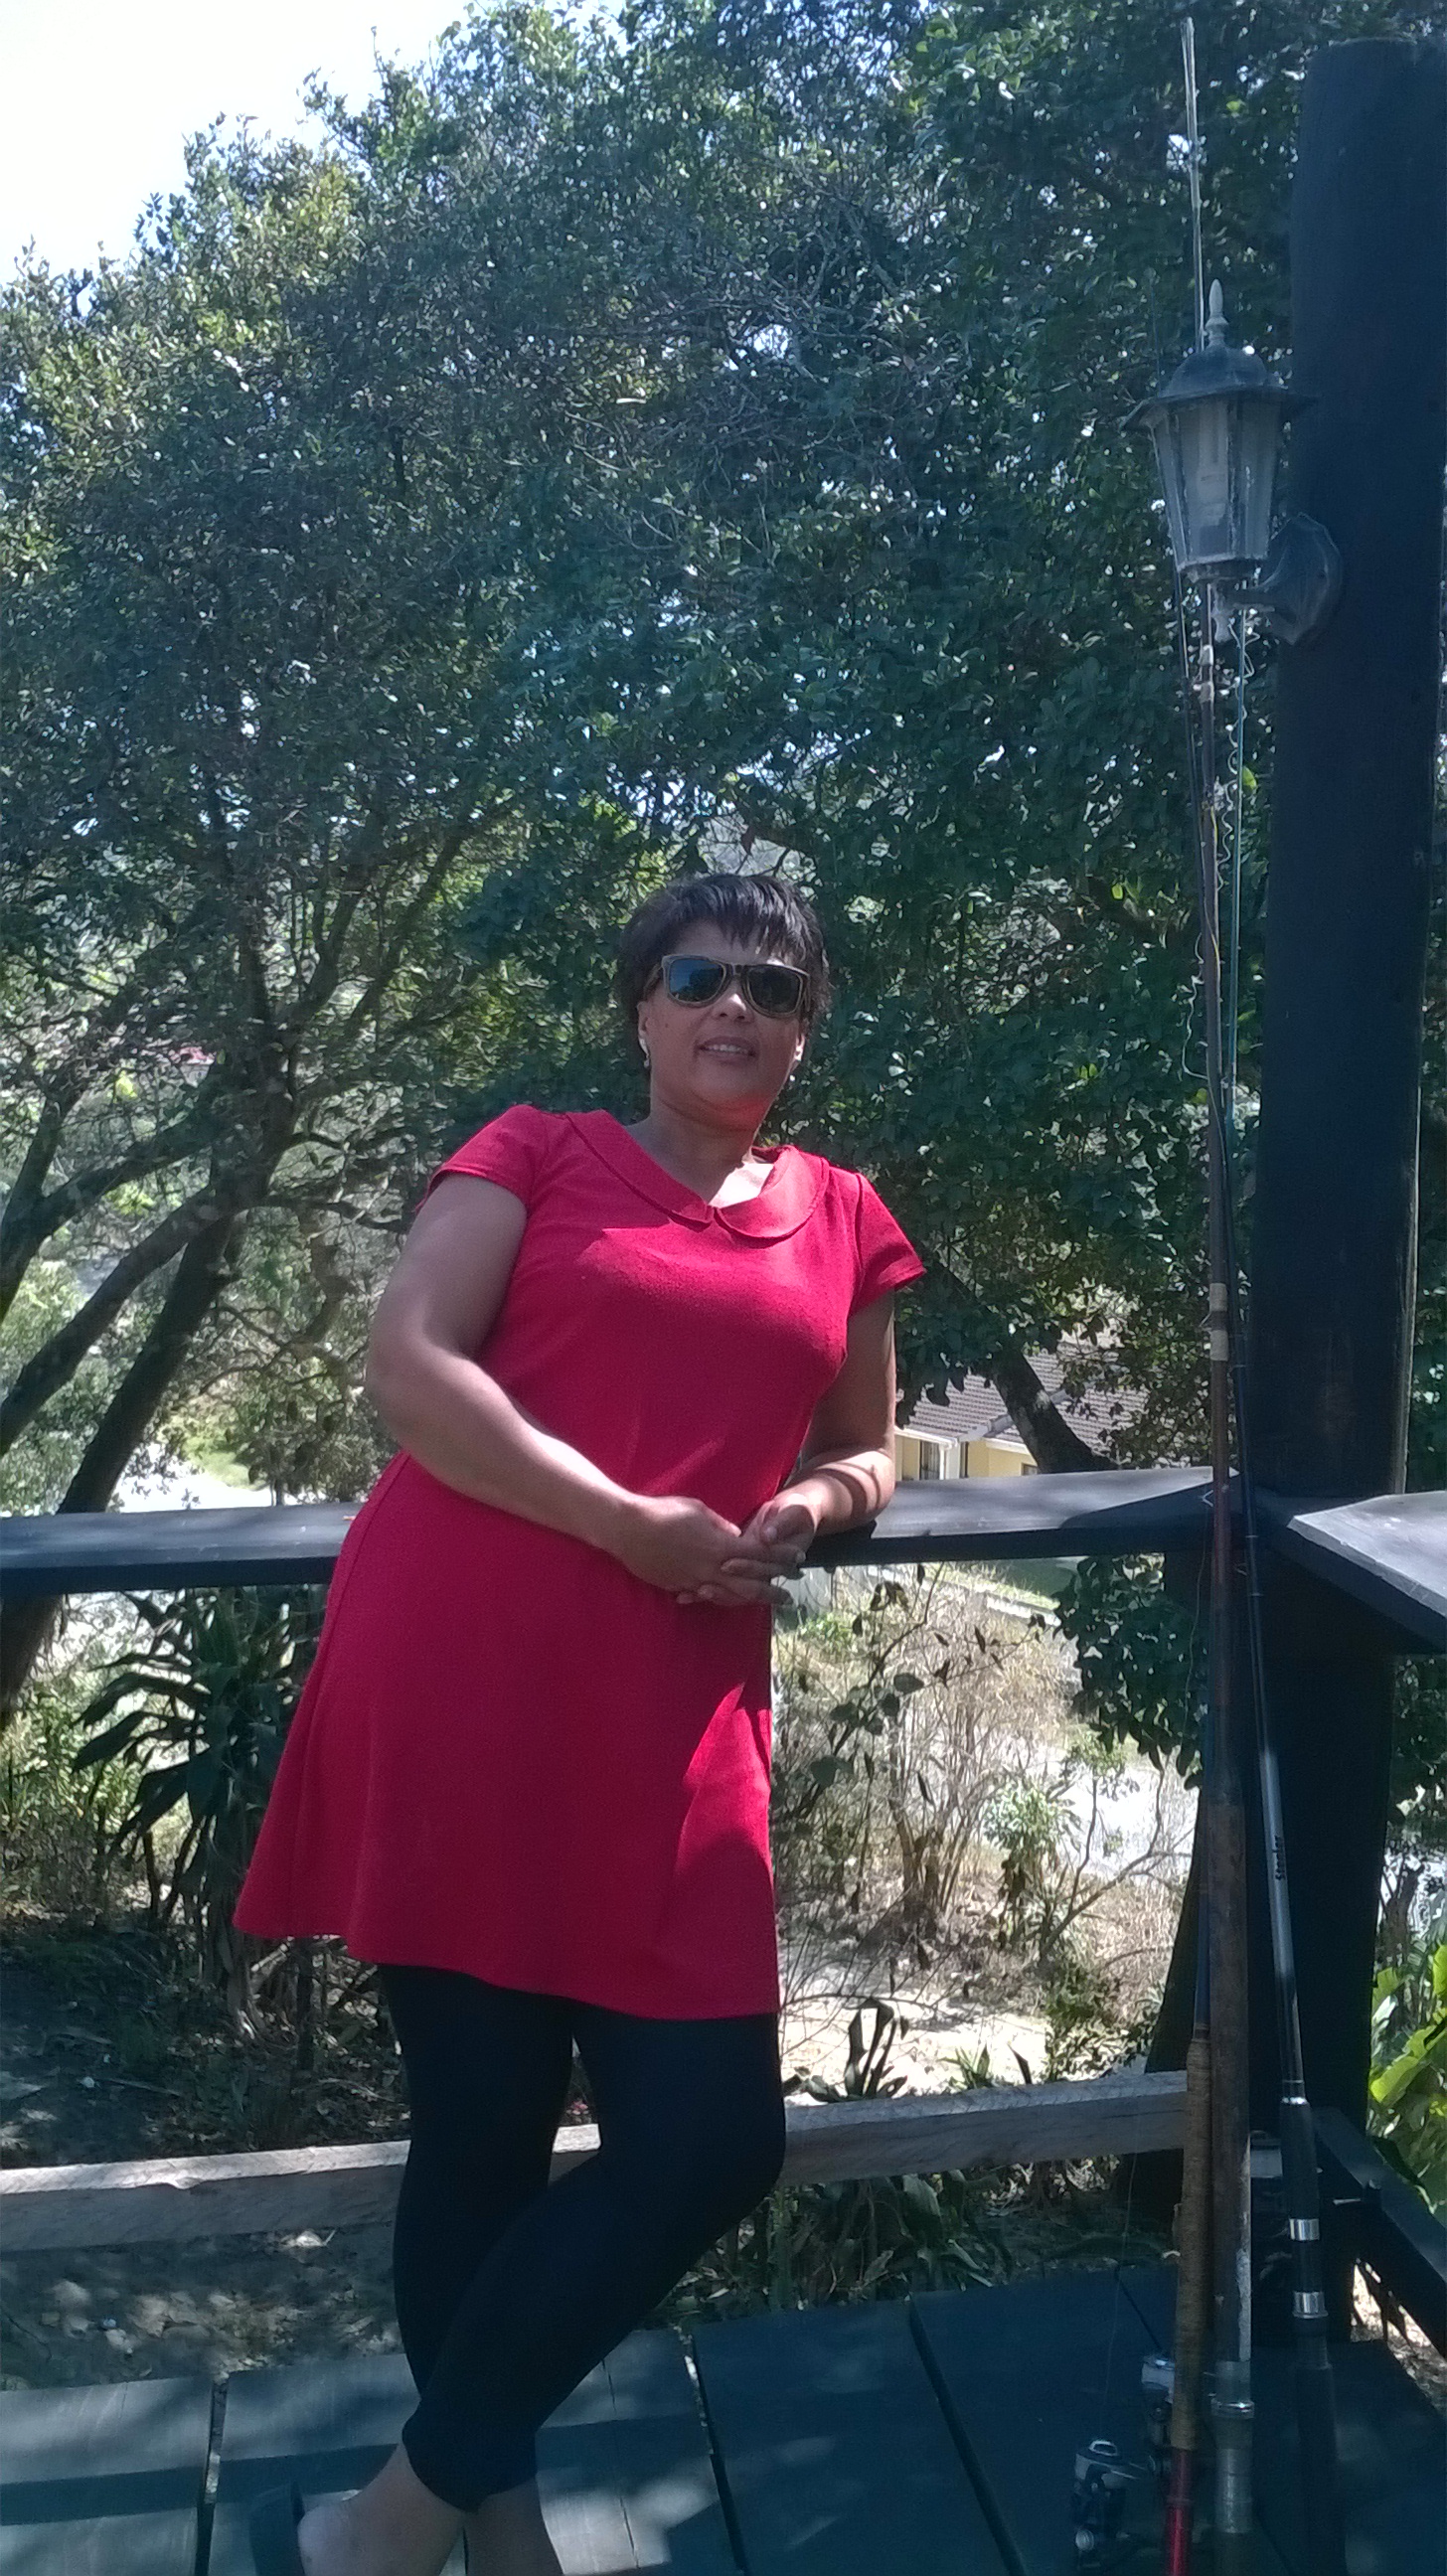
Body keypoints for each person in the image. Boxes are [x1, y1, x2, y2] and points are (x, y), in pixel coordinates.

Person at [236, 869, 924, 2576]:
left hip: (680, 1707)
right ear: (640, 1009)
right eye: (698, 977)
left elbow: (872, 1444)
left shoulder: (843, 1214)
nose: (735, 1005)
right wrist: (624, 1522)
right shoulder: (533, 1155)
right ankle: (493, 2526)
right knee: (480, 2126)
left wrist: (817, 1506)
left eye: (774, 987)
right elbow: (410, 1365)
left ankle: (392, 2518)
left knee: (710, 2142)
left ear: (805, 1030)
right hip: (460, 1675)